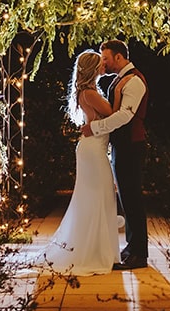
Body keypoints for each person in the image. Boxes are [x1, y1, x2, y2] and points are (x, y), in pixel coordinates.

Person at [35, 50, 120, 273]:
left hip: (94, 147)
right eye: (101, 63)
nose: (104, 66)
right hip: (93, 150)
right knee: (98, 196)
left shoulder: (89, 91)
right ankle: (94, 251)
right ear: (93, 68)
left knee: (100, 196)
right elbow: (111, 112)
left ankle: (99, 248)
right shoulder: (90, 93)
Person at [83, 39, 148, 269]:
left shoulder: (135, 81)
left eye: (106, 59)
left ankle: (140, 254)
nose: (104, 63)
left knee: (133, 198)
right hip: (122, 145)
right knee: (126, 198)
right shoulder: (121, 79)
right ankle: (132, 248)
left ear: (119, 57)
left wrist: (96, 128)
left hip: (131, 144)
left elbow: (125, 116)